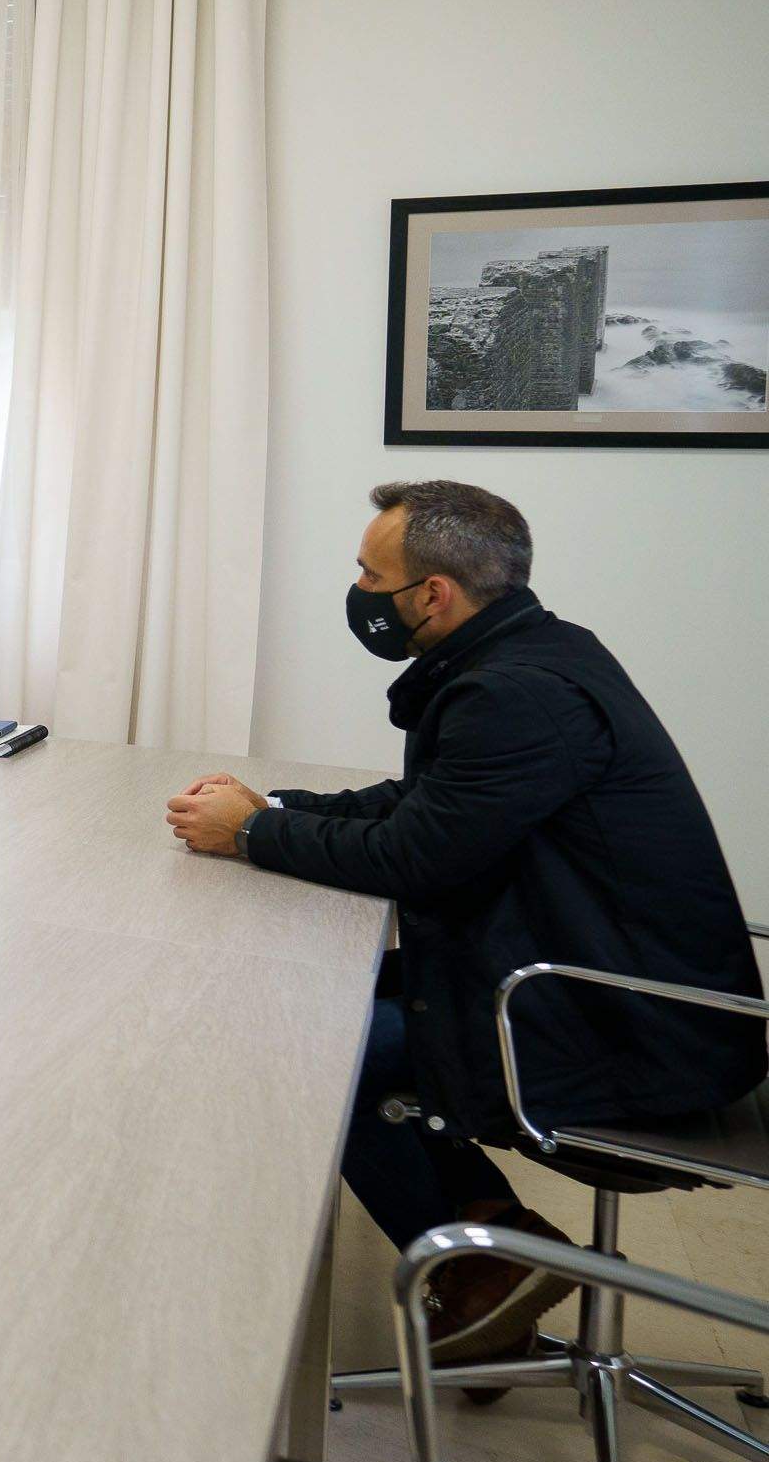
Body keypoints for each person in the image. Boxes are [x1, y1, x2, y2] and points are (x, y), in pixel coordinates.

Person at [166, 480, 763, 1363]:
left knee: (324, 1045)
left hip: (636, 1030)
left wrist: (252, 833)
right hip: (609, 979)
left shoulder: (518, 691)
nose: (360, 589)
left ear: (433, 594)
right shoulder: (533, 655)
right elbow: (429, 807)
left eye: (372, 573)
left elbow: (417, 858)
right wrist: (281, 804)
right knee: (324, 1001)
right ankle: (493, 1249)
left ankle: (483, 1259)